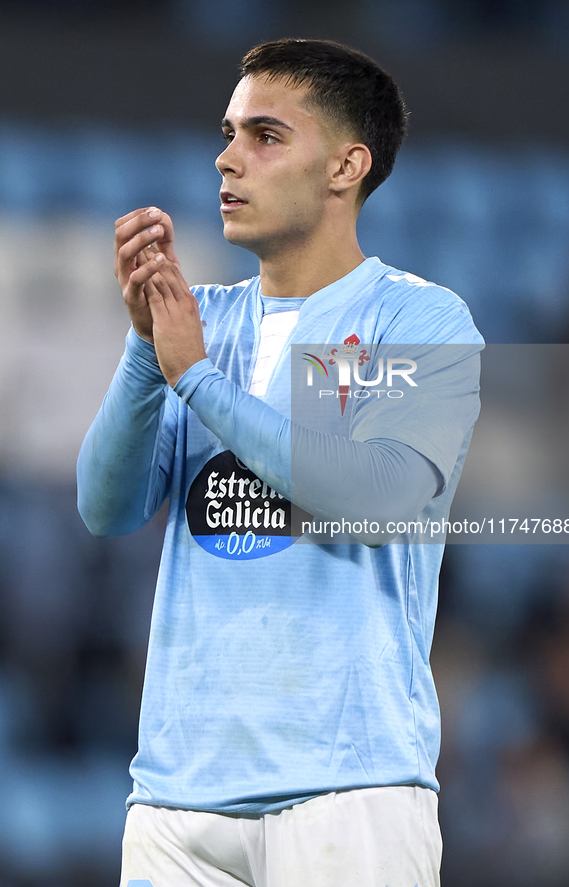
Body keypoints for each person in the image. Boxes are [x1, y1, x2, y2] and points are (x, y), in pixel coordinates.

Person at [77, 38, 483, 887]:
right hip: (177, 798)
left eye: (264, 135)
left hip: (349, 791)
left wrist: (197, 378)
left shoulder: (415, 320)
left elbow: (374, 494)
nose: (226, 159)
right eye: (226, 132)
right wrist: (149, 353)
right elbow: (105, 507)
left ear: (346, 165)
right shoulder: (201, 321)